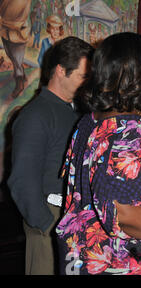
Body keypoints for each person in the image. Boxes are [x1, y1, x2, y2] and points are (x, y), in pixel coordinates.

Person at [56, 32, 141, 275]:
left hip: (88, 259)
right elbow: (124, 213)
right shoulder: (128, 131)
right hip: (127, 263)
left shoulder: (90, 123)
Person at [7, 36, 93, 275]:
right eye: (82, 76)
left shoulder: (75, 110)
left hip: (72, 217)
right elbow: (22, 181)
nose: (87, 83)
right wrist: (48, 225)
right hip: (50, 219)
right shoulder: (36, 114)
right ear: (60, 70)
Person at [0, 0, 32, 98]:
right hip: (5, 30)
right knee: (11, 55)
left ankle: (19, 83)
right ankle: (21, 74)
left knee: (17, 59)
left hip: (18, 32)